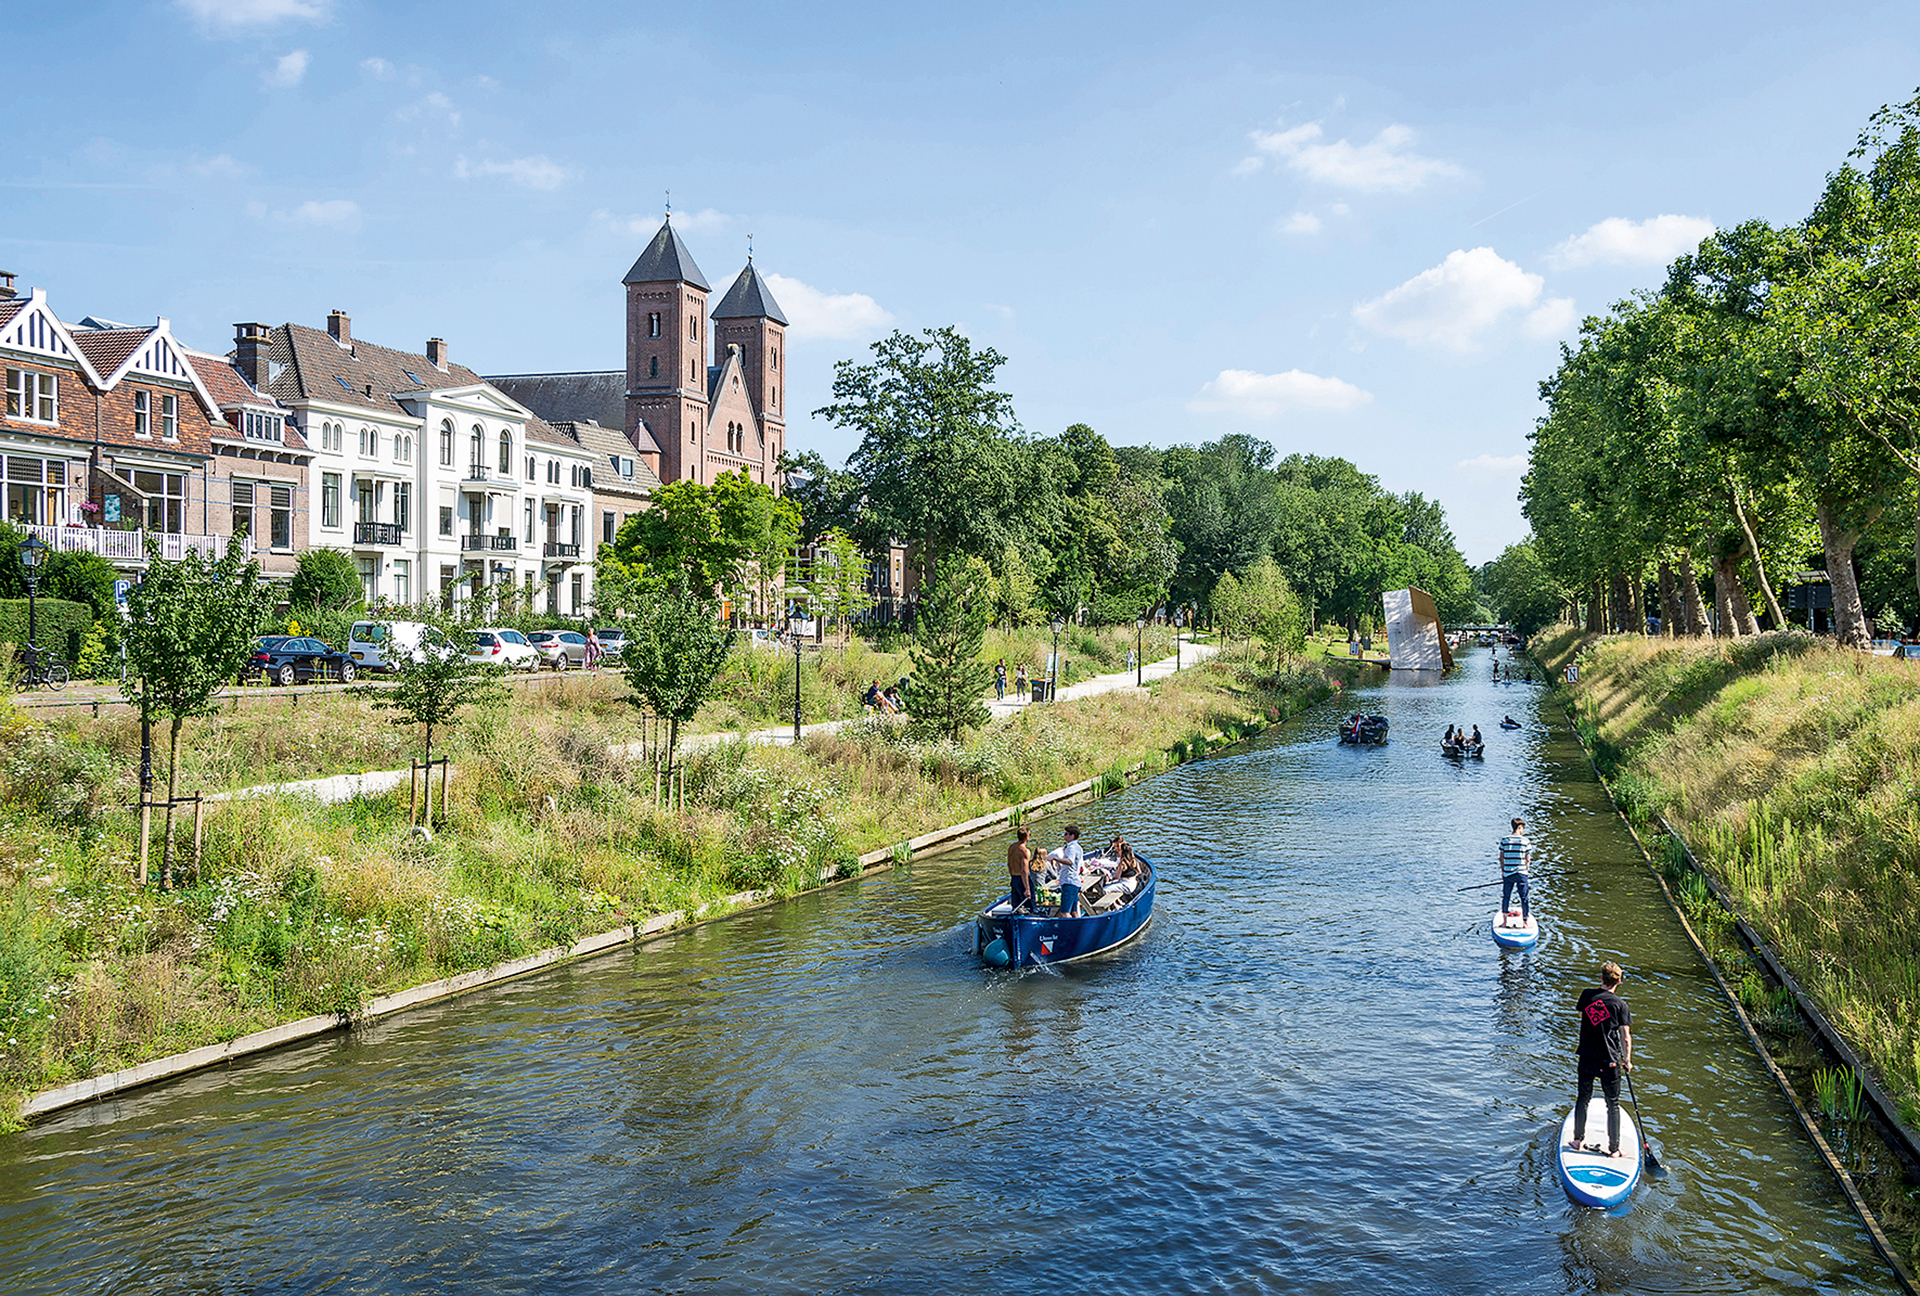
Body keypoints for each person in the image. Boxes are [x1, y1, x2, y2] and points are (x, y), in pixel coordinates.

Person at [1572, 962, 1634, 1157]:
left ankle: (1578, 1140)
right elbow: (1625, 1037)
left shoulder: (1587, 995)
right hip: (1611, 1061)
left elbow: (1583, 1014)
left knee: (1583, 1098)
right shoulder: (1621, 1005)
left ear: (1601, 979)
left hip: (1587, 1058)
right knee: (1612, 1104)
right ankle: (1614, 1149)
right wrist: (1628, 1060)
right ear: (1619, 981)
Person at [1498, 817, 1532, 928]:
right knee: (1524, 897)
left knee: (1506, 896)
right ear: (1520, 827)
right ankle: (1525, 923)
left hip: (1508, 873)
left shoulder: (1504, 840)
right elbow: (1528, 860)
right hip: (1522, 873)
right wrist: (1526, 871)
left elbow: (1501, 858)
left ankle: (1504, 922)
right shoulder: (1526, 841)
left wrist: (1503, 871)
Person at [1048, 825, 1086, 917]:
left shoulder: (1071, 847)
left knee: (1064, 912)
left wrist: (1055, 858)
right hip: (1074, 882)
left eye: (1066, 834)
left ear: (1072, 836)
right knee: (1074, 912)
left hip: (1069, 882)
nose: (1064, 836)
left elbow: (1069, 861)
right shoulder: (1078, 847)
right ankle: (1078, 928)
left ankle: (1071, 930)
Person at [1007, 826, 1033, 912]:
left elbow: (1009, 864)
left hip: (1014, 878)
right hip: (1022, 880)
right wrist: (1027, 889)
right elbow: (1024, 870)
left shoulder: (1011, 847)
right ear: (1027, 837)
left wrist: (1012, 877)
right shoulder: (1025, 851)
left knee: (1016, 906)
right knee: (1028, 905)